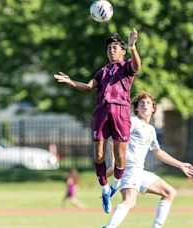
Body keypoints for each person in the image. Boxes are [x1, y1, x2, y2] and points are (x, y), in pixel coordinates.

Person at [54, 28, 142, 213]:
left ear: (122, 51)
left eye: (115, 47)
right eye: (109, 48)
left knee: (120, 156)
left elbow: (137, 65)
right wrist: (71, 82)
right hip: (102, 110)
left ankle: (116, 183)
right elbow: (87, 87)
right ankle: (104, 189)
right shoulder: (102, 71)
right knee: (99, 154)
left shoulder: (126, 66)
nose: (111, 50)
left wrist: (133, 46)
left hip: (121, 111)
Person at [103, 91, 193, 228]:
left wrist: (180, 165)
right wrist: (114, 164)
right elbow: (113, 140)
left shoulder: (151, 130)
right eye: (141, 103)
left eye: (148, 103)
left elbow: (158, 153)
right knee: (129, 201)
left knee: (169, 192)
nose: (145, 105)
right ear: (136, 108)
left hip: (139, 172)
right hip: (129, 169)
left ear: (153, 108)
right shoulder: (132, 122)